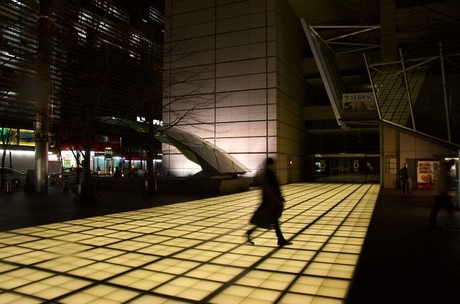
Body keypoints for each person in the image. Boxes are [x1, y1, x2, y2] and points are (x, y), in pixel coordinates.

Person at [246, 158, 292, 247]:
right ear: (269, 165)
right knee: (270, 221)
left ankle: (280, 239)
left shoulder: (268, 174)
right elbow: (271, 189)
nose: (274, 166)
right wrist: (279, 199)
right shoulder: (268, 175)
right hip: (269, 203)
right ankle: (280, 240)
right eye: (272, 164)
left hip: (270, 202)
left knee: (268, 221)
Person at [429, 160, 455, 229]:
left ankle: (433, 224)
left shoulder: (443, 168)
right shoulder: (445, 170)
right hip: (440, 193)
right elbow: (443, 182)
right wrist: (445, 191)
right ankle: (451, 222)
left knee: (436, 209)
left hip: (438, 193)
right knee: (446, 208)